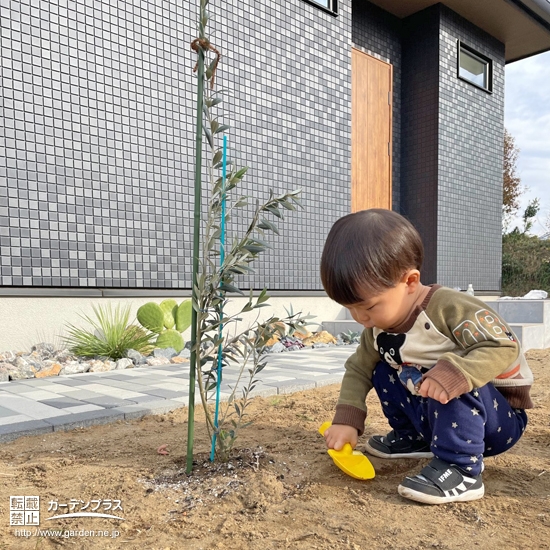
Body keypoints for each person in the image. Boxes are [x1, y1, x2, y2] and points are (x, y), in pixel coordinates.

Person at [320, 209, 533, 504]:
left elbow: (503, 346)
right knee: (382, 368)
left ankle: (462, 468)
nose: (360, 319)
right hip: (436, 414)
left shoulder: (450, 308)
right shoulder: (378, 328)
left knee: (448, 374)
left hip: (493, 420)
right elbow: (358, 369)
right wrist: (347, 419)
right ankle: (415, 437)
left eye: (367, 308)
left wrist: (454, 372)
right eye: (351, 309)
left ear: (409, 281)